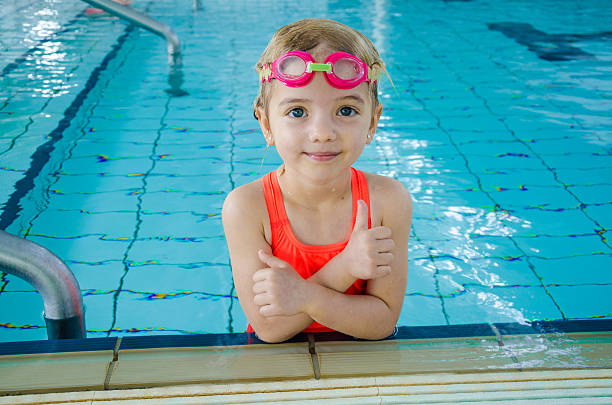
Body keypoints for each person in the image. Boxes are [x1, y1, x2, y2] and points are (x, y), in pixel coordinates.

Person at [222, 18, 413, 343]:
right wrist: (345, 267)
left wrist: (304, 296)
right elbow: (270, 329)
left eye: (347, 111)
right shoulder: (247, 207)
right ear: (267, 124)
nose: (323, 133)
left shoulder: (388, 200)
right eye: (297, 112)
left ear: (373, 121)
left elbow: (382, 322)